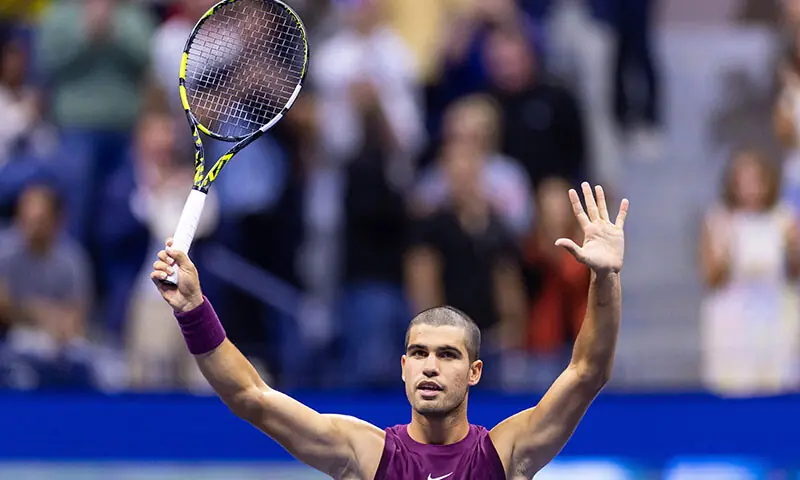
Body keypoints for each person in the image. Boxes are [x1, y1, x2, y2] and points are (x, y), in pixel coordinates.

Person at [150, 182, 628, 479]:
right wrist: (193, 308)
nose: (431, 367)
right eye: (419, 353)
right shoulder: (364, 452)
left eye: (447, 355)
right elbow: (250, 397)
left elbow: (587, 371)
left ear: (476, 371)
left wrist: (604, 278)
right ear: (402, 368)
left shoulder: (505, 453)